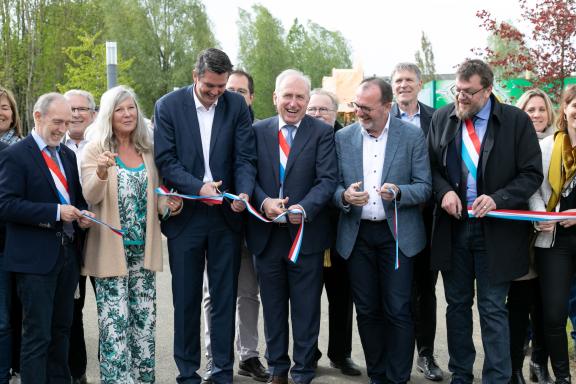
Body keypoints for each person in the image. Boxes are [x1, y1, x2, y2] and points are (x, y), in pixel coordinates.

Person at [428, 59, 543, 384]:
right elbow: (432, 168)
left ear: (488, 89)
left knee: (492, 308)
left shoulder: (515, 122)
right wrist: (444, 192)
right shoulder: (443, 118)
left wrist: (498, 198)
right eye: (457, 90)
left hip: (498, 230)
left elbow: (531, 173)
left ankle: (497, 377)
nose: (460, 98)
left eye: (468, 92)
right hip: (454, 228)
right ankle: (461, 375)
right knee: (457, 306)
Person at [154, 48, 256, 384]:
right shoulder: (168, 106)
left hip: (227, 217)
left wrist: (243, 192)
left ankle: (222, 372)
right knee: (185, 299)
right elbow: (166, 161)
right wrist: (199, 187)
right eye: (209, 86)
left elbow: (245, 157)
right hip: (187, 218)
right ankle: (187, 373)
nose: (215, 93)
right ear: (195, 76)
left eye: (221, 87)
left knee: (224, 298)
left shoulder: (237, 106)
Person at [333, 77, 431, 384]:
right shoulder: (344, 137)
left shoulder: (412, 136)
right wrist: (344, 196)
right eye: (356, 106)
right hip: (357, 235)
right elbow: (331, 186)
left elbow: (425, 187)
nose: (359, 112)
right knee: (366, 309)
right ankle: (377, 375)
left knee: (398, 308)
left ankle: (398, 376)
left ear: (387, 106)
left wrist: (400, 192)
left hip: (397, 236)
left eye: (366, 108)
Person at [81, 85, 180, 383]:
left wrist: (169, 206)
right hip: (111, 253)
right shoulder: (95, 150)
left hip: (143, 252)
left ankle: (143, 380)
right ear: (109, 116)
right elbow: (90, 195)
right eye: (119, 109)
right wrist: (100, 173)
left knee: (144, 324)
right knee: (115, 326)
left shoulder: (147, 150)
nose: (127, 114)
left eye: (131, 108)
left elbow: (156, 198)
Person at [245, 69, 337, 384]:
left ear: (308, 100)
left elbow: (327, 181)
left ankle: (303, 369)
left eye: (300, 97)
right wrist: (263, 202)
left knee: (306, 308)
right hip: (266, 236)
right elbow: (249, 177)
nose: (293, 103)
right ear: (275, 98)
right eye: (288, 96)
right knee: (272, 308)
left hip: (306, 238)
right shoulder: (257, 131)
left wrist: (304, 208)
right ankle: (278, 368)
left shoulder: (322, 133)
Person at [0, 92, 95, 383]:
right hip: (35, 261)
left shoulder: (66, 154)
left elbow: (76, 199)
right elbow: (6, 204)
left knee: (61, 331)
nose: (62, 129)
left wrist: (83, 214)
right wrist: (55, 212)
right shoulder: (15, 155)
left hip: (67, 257)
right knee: (37, 336)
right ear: (37, 117)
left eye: (67, 123)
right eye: (57, 122)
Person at [201, 69, 268, 383]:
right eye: (229, 90)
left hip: (252, 225)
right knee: (213, 293)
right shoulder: (211, 125)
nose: (234, 95)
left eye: (242, 91)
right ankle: (216, 356)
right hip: (217, 222)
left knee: (248, 292)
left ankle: (249, 355)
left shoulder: (262, 131)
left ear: (251, 97)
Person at [390, 62, 443, 382]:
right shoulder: (384, 117)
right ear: (391, 86)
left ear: (420, 84)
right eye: (398, 80)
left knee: (425, 289)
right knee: (398, 291)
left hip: (428, 217)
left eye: (409, 80)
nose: (403, 85)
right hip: (392, 218)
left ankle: (425, 354)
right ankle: (397, 357)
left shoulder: (437, 118)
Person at [305, 88, 361, 377]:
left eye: (323, 110)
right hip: (309, 231)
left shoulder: (347, 138)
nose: (316, 115)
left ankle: (341, 354)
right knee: (307, 298)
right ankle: (308, 354)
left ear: (335, 113)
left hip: (342, 231)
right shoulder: (300, 136)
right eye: (312, 109)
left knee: (342, 298)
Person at [507, 88, 555, 384]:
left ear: (550, 113)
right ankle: (513, 367)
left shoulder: (561, 145)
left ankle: (539, 363)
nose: (536, 115)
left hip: (552, 238)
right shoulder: (511, 144)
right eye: (529, 109)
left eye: (541, 109)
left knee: (547, 306)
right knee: (520, 304)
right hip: (518, 237)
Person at [529, 84, 576, 384]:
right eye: (574, 105)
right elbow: (532, 189)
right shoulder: (548, 146)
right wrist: (540, 215)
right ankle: (562, 378)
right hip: (554, 242)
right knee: (553, 315)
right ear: (566, 109)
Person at [63, 89, 96, 384]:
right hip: (69, 240)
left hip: (102, 237)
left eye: (81, 109)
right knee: (73, 309)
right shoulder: (51, 148)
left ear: (94, 114)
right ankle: (78, 371)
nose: (75, 114)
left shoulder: (103, 144)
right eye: (70, 109)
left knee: (111, 307)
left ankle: (112, 365)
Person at [0, 86, 21, 384]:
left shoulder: (24, 149)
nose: (0, 112)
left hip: (12, 246)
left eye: (4, 107)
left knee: (7, 318)